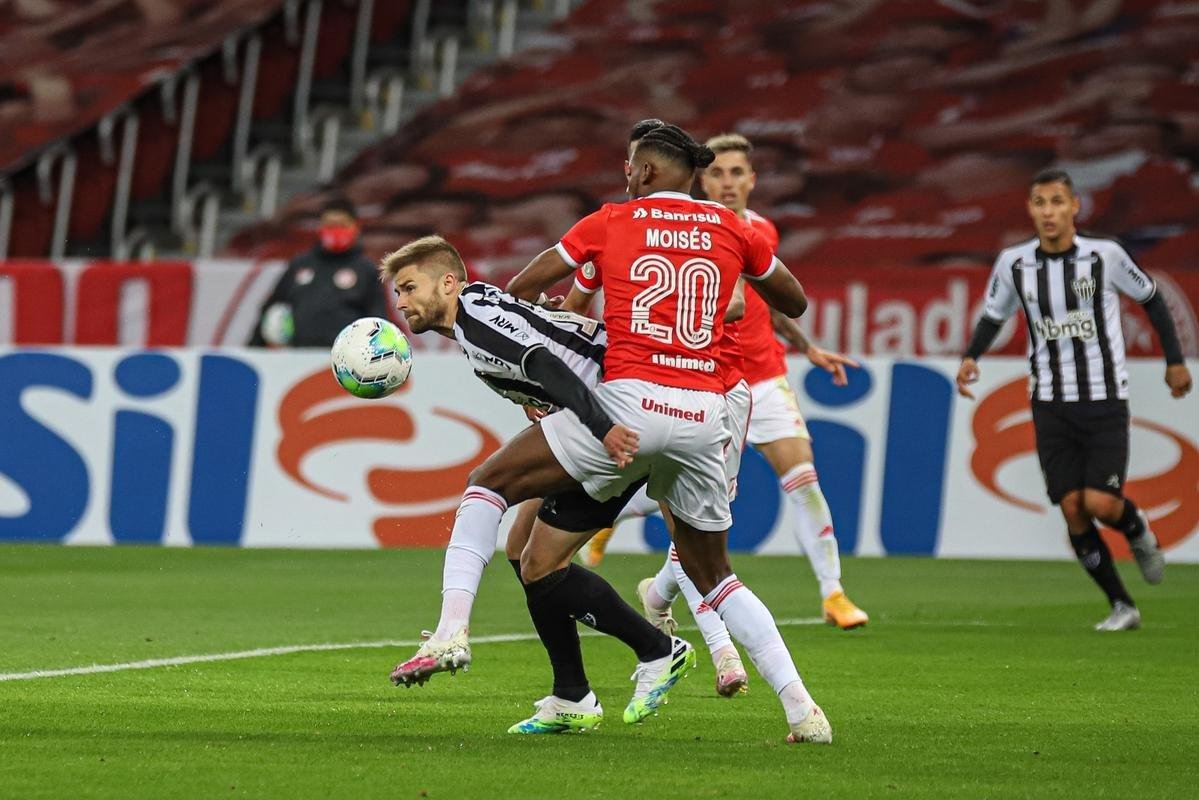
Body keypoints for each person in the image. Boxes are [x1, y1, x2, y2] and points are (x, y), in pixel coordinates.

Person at [503, 122, 832, 744]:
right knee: (717, 575)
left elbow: (522, 290)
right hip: (707, 410)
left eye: (630, 164)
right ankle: (802, 709)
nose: (625, 173)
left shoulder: (612, 221)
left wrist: (541, 366)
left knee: (511, 521)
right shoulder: (733, 227)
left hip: (628, 412)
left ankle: (474, 635)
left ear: (647, 171)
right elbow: (794, 300)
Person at [379, 235, 693, 735]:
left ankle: (450, 631)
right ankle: (580, 690)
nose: (401, 302)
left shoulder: (476, 316)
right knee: (529, 554)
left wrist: (601, 426)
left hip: (615, 411)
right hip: (621, 409)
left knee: (486, 485)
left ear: (448, 282)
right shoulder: (479, 313)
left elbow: (541, 363)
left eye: (409, 287)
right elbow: (542, 349)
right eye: (397, 292)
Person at [957, 168, 1192, 631]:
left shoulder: (1105, 256)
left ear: (1074, 207)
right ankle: (1122, 605)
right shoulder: (1014, 263)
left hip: (1104, 398)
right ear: (1030, 210)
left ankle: (1135, 527)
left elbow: (1151, 298)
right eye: (1040, 203)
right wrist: (970, 357)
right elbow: (993, 315)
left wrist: (1175, 361)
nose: (1049, 212)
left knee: (1101, 503)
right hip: (1049, 401)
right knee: (1071, 508)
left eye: (1057, 202)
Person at [249, 198, 390, 347]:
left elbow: (377, 319)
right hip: (297, 354)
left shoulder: (365, 269)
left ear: (355, 227)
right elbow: (272, 306)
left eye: (341, 225)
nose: (335, 230)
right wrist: (253, 346)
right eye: (330, 225)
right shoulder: (300, 264)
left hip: (344, 355)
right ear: (320, 227)